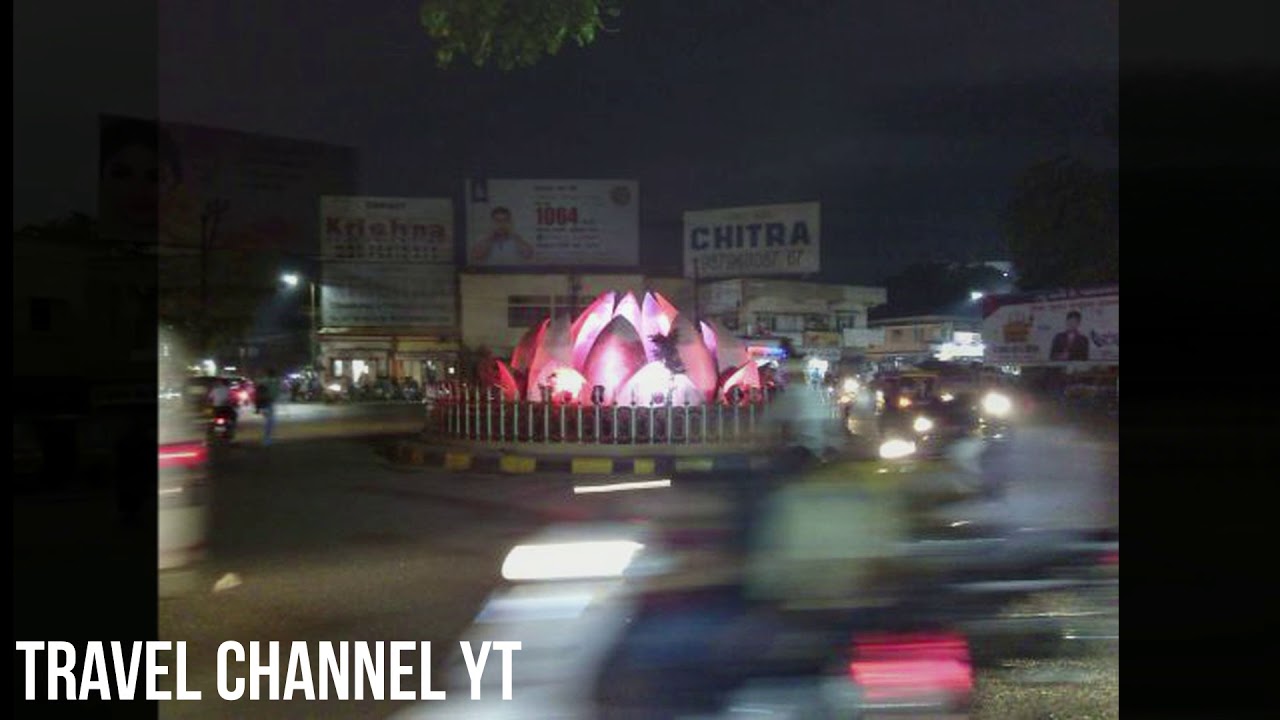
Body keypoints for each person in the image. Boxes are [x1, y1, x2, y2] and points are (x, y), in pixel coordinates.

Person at [256, 369, 278, 445]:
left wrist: (257, 407)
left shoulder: (266, 382)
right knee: (269, 421)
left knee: (269, 421)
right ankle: (267, 439)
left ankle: (267, 438)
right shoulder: (269, 382)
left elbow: (258, 394)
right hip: (267, 403)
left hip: (266, 403)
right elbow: (260, 394)